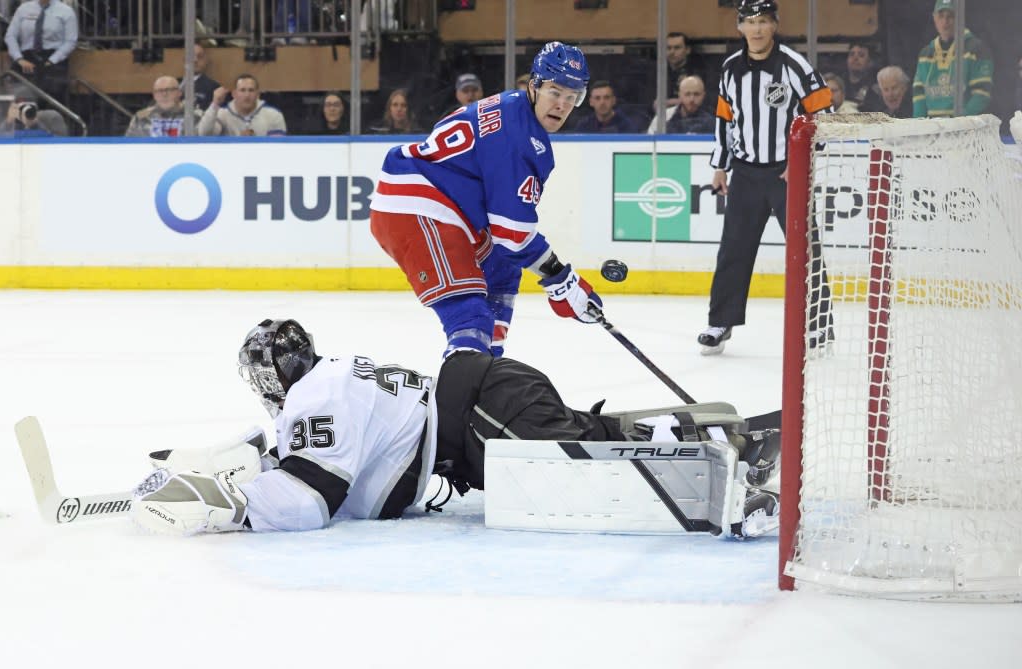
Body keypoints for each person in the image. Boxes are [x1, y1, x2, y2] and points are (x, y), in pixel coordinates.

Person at [129, 318, 782, 536]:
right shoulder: (328, 382)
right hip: (484, 405)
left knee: (590, 469)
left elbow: (312, 500)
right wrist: (232, 466)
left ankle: (728, 480)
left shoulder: (317, 397)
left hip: (480, 413)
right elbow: (304, 465)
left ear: (271, 378)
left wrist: (230, 505)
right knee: (591, 442)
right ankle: (718, 439)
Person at [368, 42, 604, 358]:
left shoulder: (515, 107)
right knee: (470, 318)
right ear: (534, 85)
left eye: (571, 97)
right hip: (420, 206)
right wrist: (562, 280)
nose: (561, 104)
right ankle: (462, 399)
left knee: (503, 267)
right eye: (555, 91)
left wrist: (560, 280)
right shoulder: (520, 139)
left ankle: (486, 369)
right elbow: (513, 235)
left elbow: (507, 243)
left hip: (444, 206)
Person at [700, 0, 833, 355]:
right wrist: (720, 165)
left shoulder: (793, 65)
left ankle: (819, 328)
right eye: (749, 22)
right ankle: (720, 322)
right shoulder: (730, 68)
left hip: (785, 174)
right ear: (739, 27)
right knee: (733, 250)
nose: (757, 29)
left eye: (763, 21)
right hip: (744, 172)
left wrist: (800, 161)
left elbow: (824, 112)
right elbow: (724, 120)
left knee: (805, 250)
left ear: (775, 25)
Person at [912, 0, 993, 118]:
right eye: (941, 16)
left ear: (960, 18)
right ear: (934, 17)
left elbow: (982, 93)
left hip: (964, 129)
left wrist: (959, 123)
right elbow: (919, 94)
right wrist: (918, 127)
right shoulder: (926, 53)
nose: (945, 21)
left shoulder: (976, 49)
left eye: (951, 16)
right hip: (932, 129)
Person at [3, 0, 77, 103]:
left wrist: (52, 60)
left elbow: (70, 41)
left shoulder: (66, 11)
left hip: (53, 59)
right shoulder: (23, 9)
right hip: (26, 57)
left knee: (51, 98)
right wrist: (19, 58)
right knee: (22, 97)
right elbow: (10, 36)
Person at [197, 74, 287, 136]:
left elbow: (278, 147)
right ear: (234, 94)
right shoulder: (222, 114)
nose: (247, 95)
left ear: (258, 94)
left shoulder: (273, 115)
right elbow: (204, 134)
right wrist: (215, 104)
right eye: (242, 90)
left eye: (251, 90)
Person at [124, 75, 202, 137]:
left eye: (169, 90)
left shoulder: (195, 116)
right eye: (159, 91)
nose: (164, 94)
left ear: (179, 93)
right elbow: (128, 145)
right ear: (154, 95)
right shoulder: (141, 117)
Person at [647, 74, 714, 134]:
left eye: (696, 94)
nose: (692, 99)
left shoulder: (712, 122)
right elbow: (650, 143)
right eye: (687, 94)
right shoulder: (664, 117)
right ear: (680, 95)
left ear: (703, 95)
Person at [662, 32, 709, 108]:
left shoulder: (699, 71)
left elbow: (704, 100)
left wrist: (675, 102)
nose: (672, 52)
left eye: (677, 48)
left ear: (687, 50)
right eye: (668, 48)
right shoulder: (658, 72)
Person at [572, 80, 638, 133]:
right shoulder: (583, 126)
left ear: (613, 100)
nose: (602, 102)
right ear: (591, 102)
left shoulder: (626, 126)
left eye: (606, 97)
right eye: (597, 98)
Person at [838, 41, 881, 113]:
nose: (855, 58)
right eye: (852, 54)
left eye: (861, 55)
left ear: (869, 62)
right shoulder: (839, 83)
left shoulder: (877, 85)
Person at [180, 42, 220, 111]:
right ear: (184, 60)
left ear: (205, 61)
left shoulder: (214, 87)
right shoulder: (175, 83)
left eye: (200, 57)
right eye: (191, 56)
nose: (195, 60)